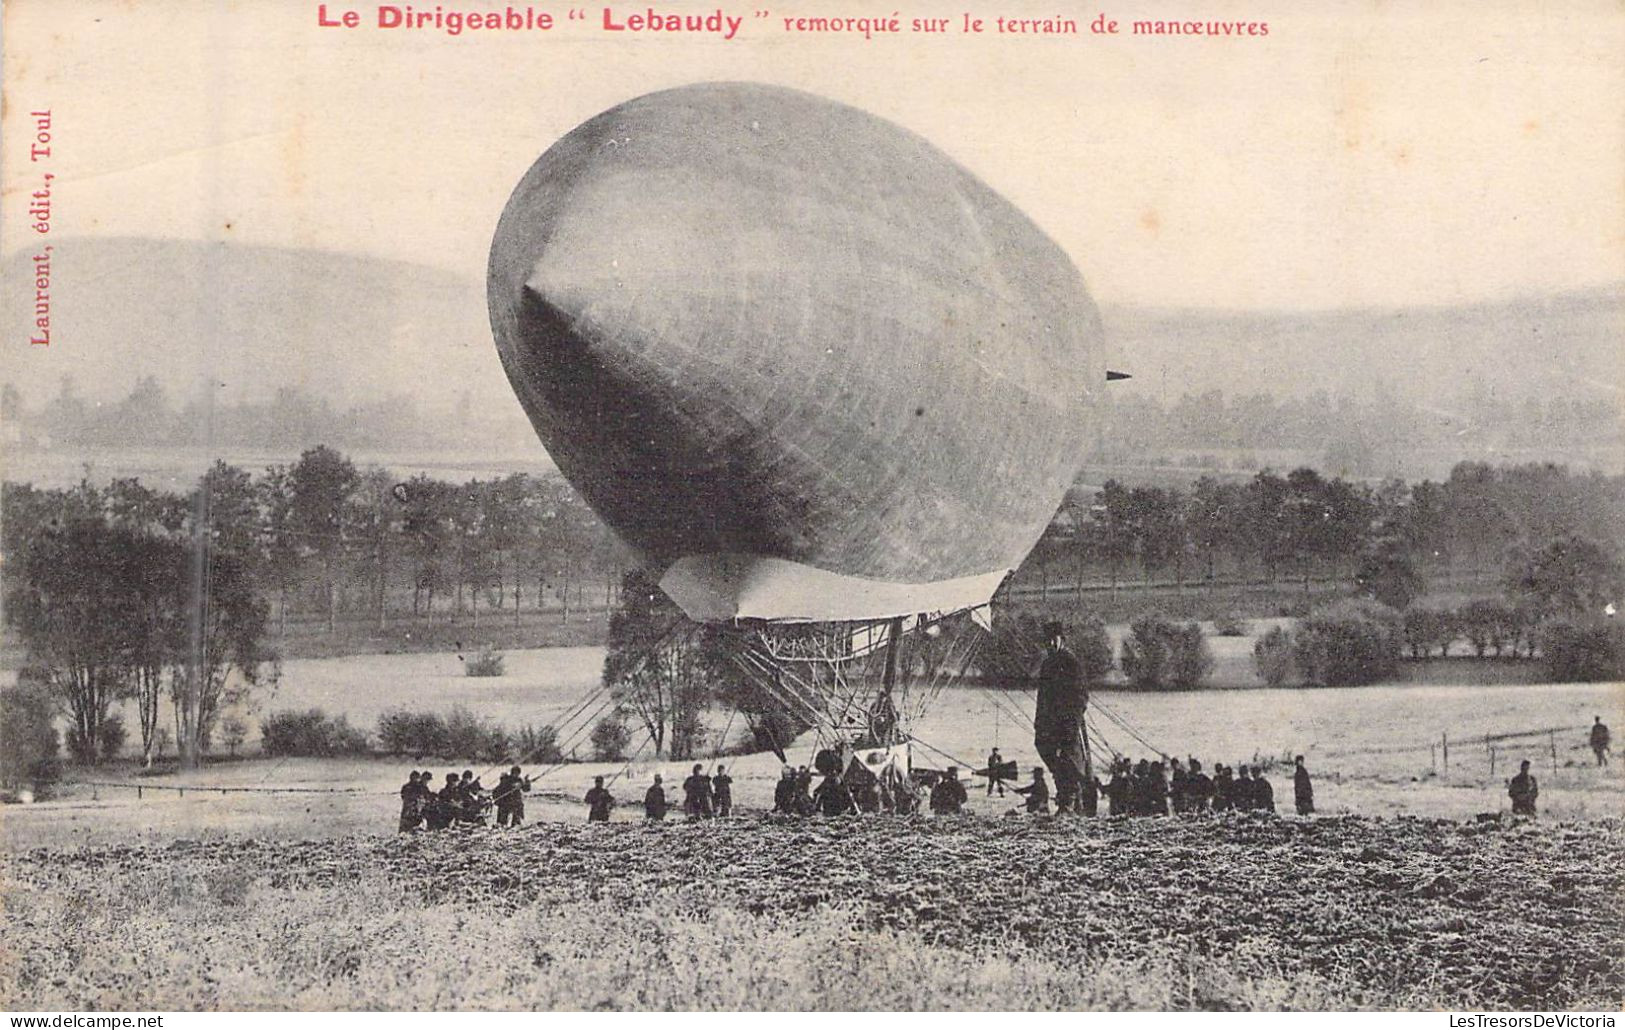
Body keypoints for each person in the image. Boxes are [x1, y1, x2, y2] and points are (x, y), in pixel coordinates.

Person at [1033, 621, 1087, 813]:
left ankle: (1069, 800)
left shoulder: (1070, 662)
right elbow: (1043, 695)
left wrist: (1072, 720)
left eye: (1053, 640)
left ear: (1061, 640)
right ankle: (1067, 796)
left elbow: (1080, 695)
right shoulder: (1047, 664)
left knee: (1067, 757)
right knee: (1045, 748)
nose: (1050, 644)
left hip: (1066, 720)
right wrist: (1039, 720)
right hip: (1048, 720)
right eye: (1047, 641)